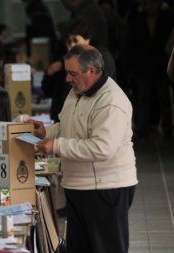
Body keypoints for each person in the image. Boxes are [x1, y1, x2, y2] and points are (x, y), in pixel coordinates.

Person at [31, 44, 138, 253]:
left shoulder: (111, 101)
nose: (67, 79)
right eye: (67, 73)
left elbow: (102, 148)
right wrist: (48, 132)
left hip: (104, 188)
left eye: (72, 73)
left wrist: (56, 145)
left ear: (92, 71)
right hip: (78, 186)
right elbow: (69, 127)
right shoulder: (76, 91)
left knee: (106, 248)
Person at [42, 18, 116, 123]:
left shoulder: (100, 58)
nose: (71, 45)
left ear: (88, 39)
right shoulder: (67, 58)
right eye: (68, 41)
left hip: (90, 120)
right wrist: (49, 74)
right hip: (65, 120)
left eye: (75, 40)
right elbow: (51, 91)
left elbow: (95, 92)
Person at [127, 0, 174, 140]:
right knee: (143, 98)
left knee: (164, 99)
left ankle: (167, 129)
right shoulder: (138, 20)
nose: (149, 7)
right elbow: (132, 44)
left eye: (152, 3)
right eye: (147, 4)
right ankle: (143, 128)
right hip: (143, 66)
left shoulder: (167, 18)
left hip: (161, 66)